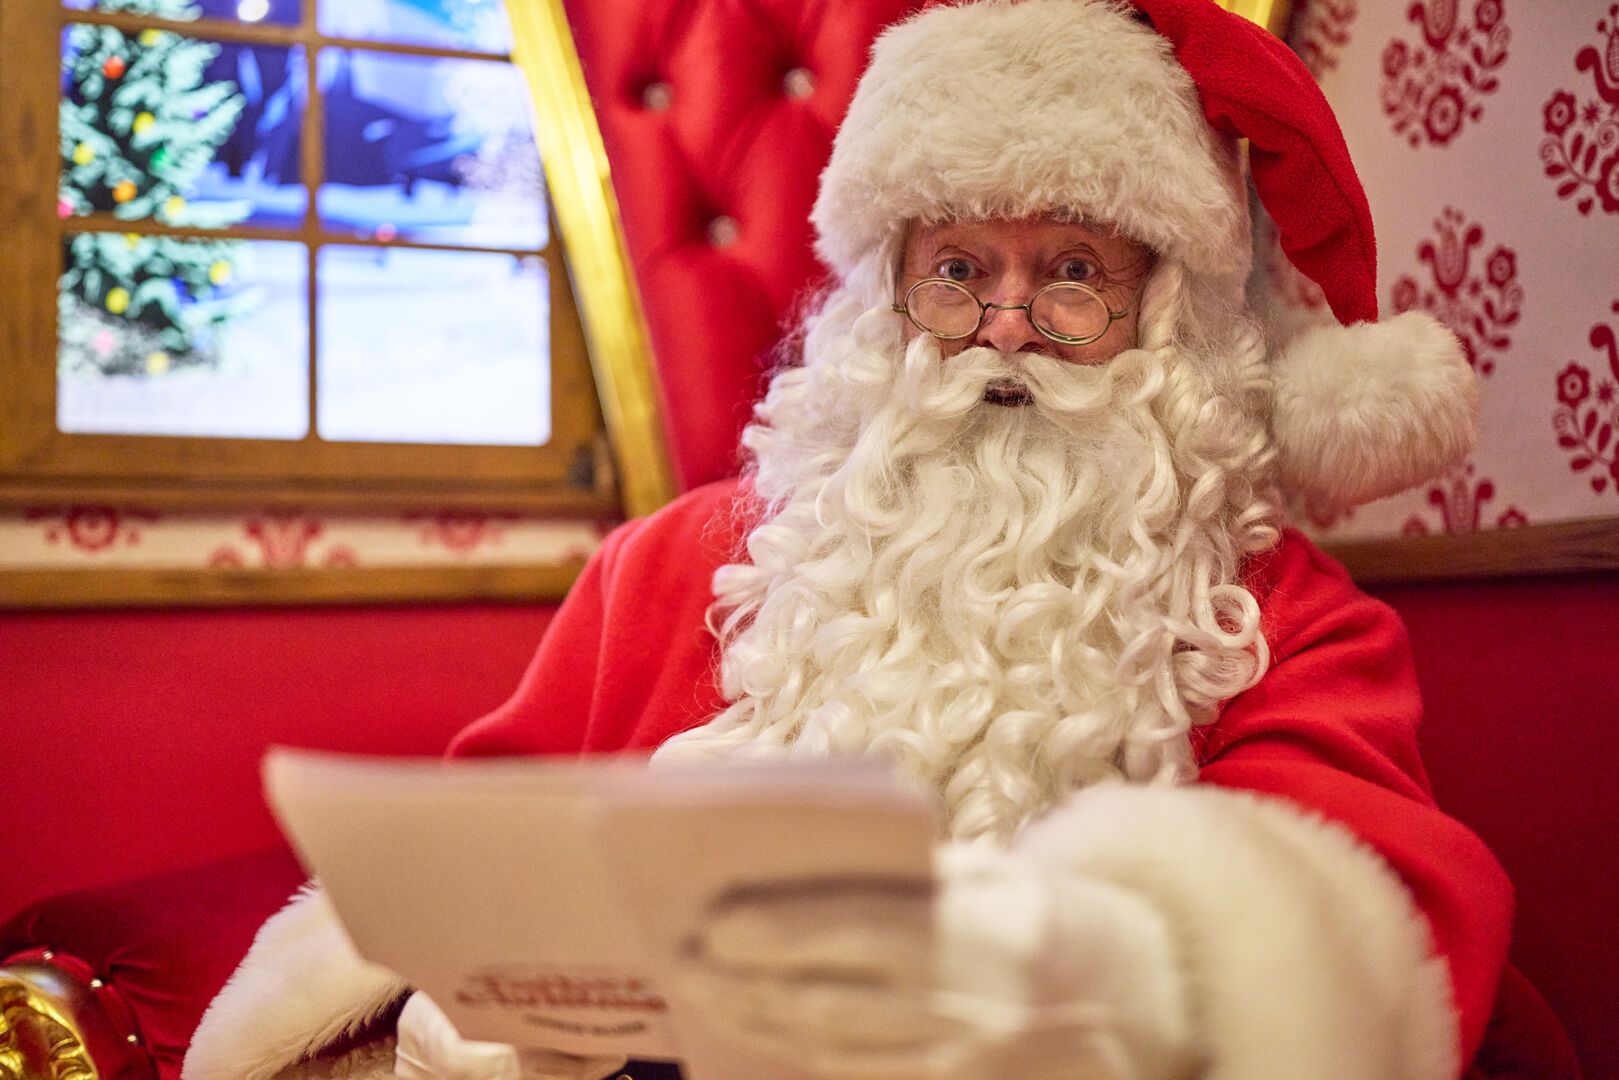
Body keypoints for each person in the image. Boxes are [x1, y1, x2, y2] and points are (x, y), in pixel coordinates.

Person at [183, 1, 1545, 1077]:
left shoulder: (1277, 617)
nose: (1003, 328)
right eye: (956, 271)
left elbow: (1362, 926)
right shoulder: (668, 570)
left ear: (1170, 315)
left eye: (1073, 273)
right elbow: (473, 854)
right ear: (879, 301)